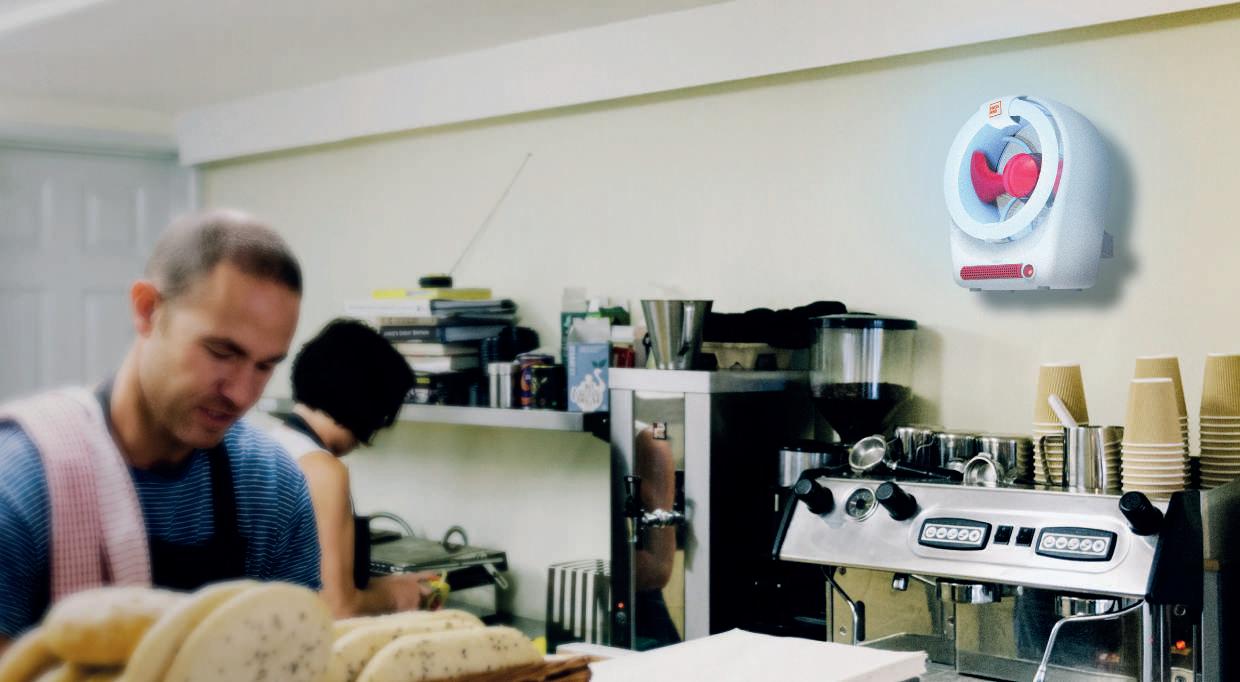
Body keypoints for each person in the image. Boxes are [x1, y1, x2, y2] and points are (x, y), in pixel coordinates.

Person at [0, 209, 321, 653]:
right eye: (221, 352)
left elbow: (296, 658)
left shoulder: (271, 488)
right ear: (147, 309)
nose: (242, 394)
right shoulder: (22, 481)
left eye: (265, 366)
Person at [267, 319, 436, 618]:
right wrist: (398, 597)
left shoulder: (271, 445)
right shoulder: (322, 471)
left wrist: (391, 586)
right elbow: (337, 608)